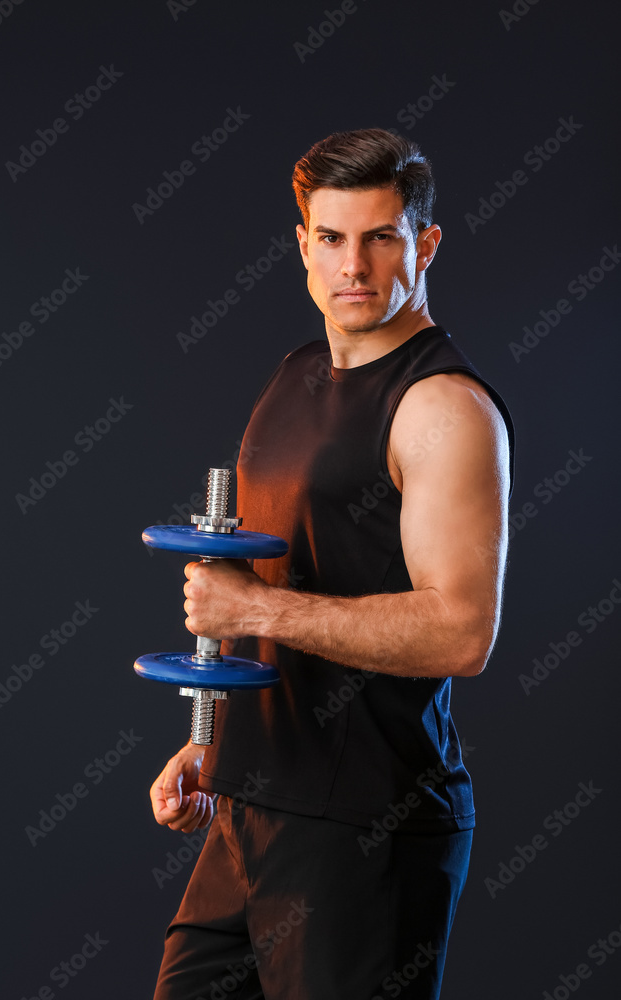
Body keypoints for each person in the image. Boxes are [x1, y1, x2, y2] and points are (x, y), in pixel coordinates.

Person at [148, 127, 515, 1000]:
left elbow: (462, 630)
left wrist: (256, 614)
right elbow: (282, 580)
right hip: (248, 812)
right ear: (302, 245)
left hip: (365, 828)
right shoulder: (295, 375)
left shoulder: (443, 409)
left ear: (423, 245)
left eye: (381, 237)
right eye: (332, 238)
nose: (354, 264)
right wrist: (217, 745)